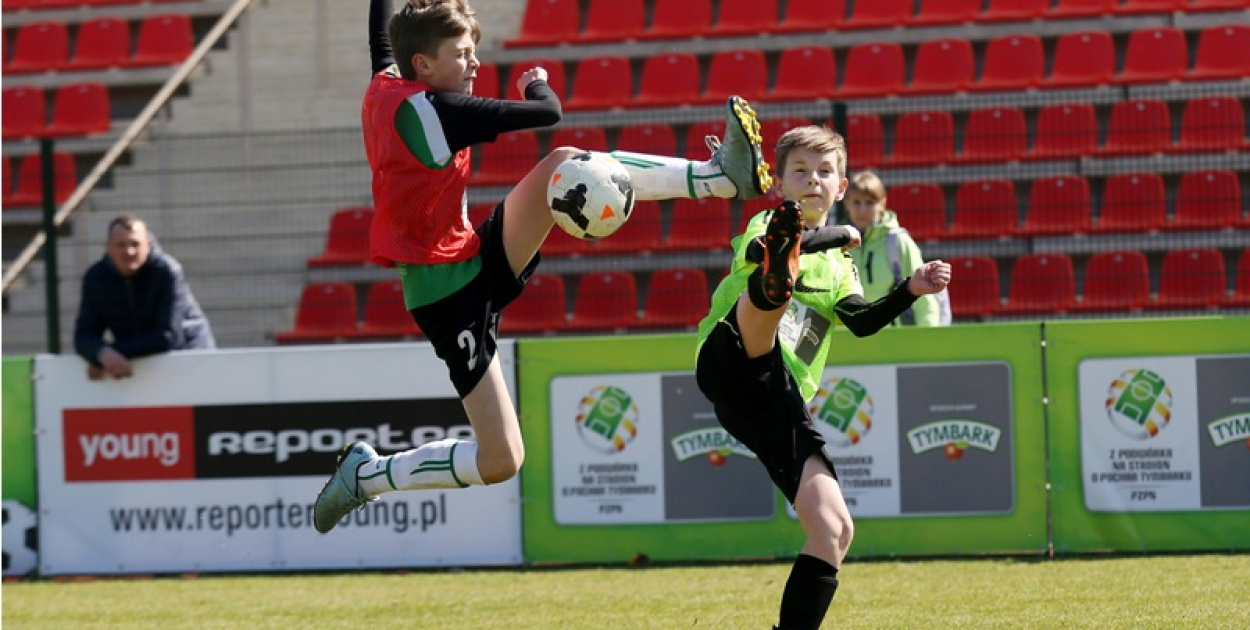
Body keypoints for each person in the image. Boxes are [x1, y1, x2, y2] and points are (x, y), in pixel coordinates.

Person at [313, 0, 773, 533]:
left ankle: (720, 176)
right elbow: (546, 112)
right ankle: (367, 476)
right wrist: (536, 85)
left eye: (474, 52)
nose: (474, 64)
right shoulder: (438, 113)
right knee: (502, 460)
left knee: (564, 164)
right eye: (462, 54)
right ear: (424, 66)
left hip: (468, 252)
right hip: (446, 299)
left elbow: (384, 38)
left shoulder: (388, 83)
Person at [694, 126, 952, 630]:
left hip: (775, 395)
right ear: (781, 185)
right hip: (728, 358)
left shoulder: (841, 263)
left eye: (824, 172)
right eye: (800, 171)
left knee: (834, 530)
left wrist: (910, 289)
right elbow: (754, 257)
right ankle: (778, 279)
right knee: (769, 279)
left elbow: (859, 320)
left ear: (841, 185)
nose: (813, 179)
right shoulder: (768, 220)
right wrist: (832, 235)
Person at [74, 214, 216, 380]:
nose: (129, 251)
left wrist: (110, 354)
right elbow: (83, 335)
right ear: (108, 247)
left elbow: (168, 337)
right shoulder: (95, 278)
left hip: (189, 357)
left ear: (148, 245)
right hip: (135, 362)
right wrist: (99, 353)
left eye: (136, 244)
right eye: (121, 245)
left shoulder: (167, 272)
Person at [843, 170, 948, 327]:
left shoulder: (897, 241)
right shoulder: (838, 245)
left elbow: (923, 297)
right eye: (856, 202)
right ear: (847, 204)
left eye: (869, 202)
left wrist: (928, 339)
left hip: (894, 339)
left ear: (883, 204)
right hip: (851, 340)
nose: (862, 210)